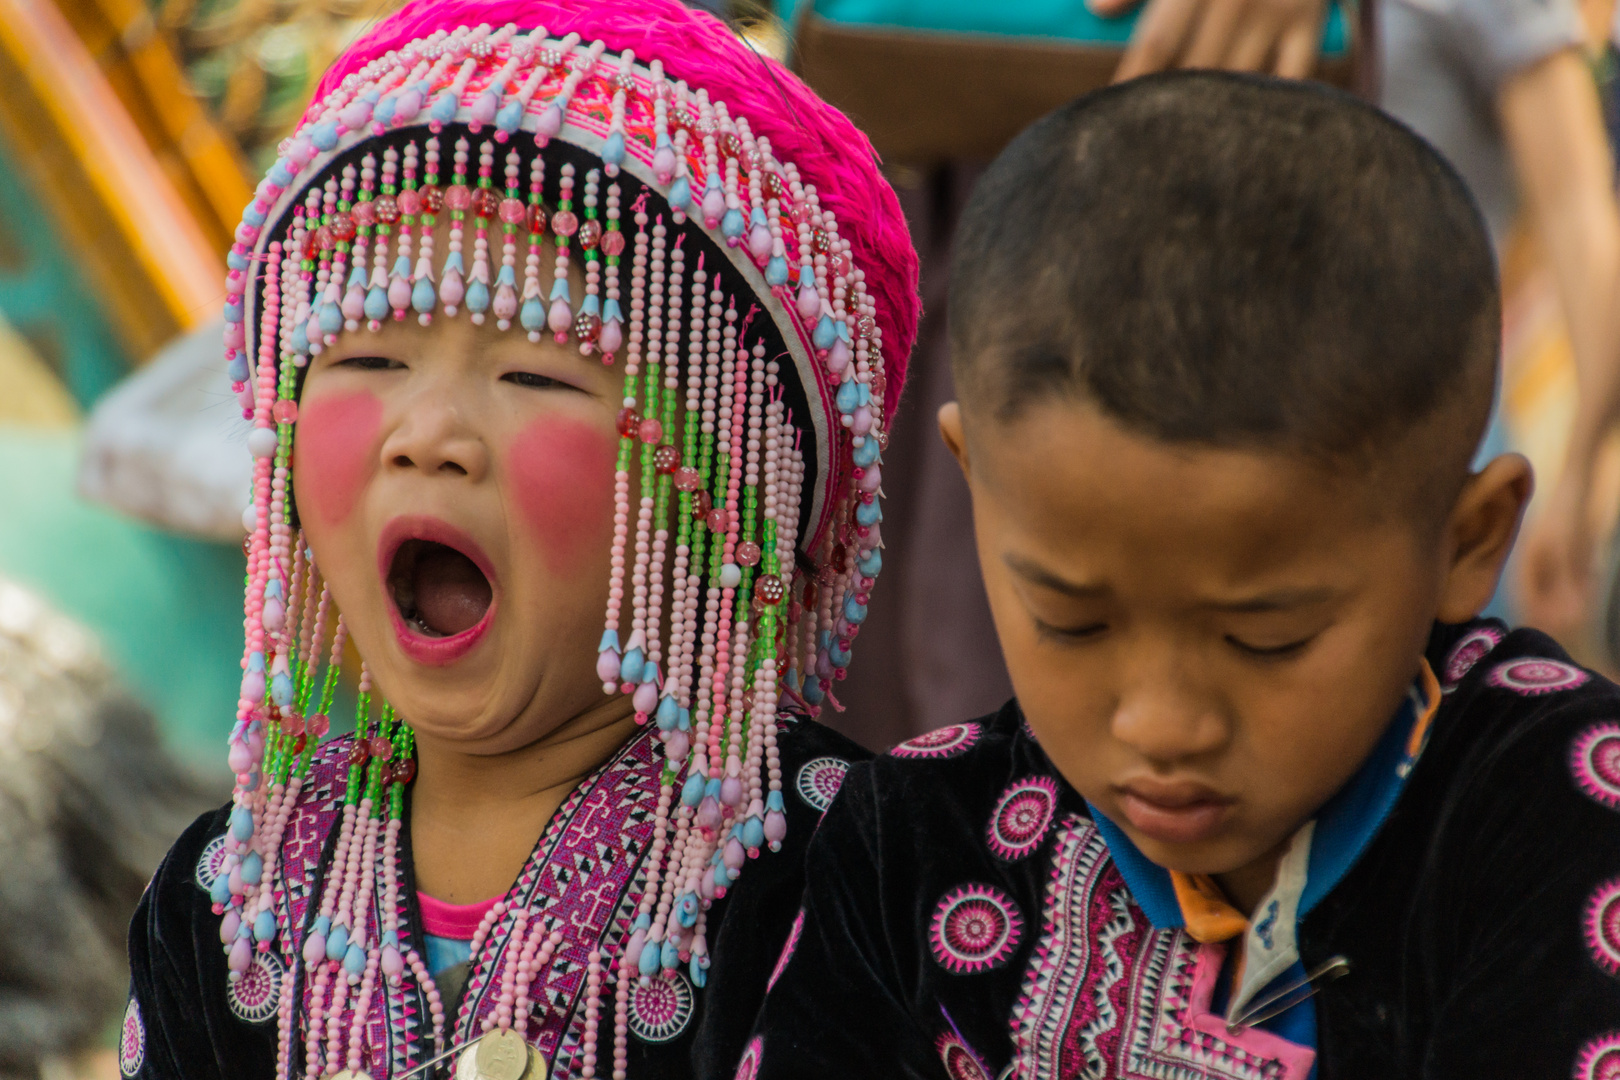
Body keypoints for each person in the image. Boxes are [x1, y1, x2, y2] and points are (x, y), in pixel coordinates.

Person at [741, 73, 1620, 1079]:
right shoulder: (911, 842)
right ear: (975, 480)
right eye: (1071, 619)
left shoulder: (1552, 810)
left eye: (1266, 639)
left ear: (1467, 540)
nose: (1161, 726)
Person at [121, 1, 919, 1077]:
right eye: (365, 359)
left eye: (535, 374)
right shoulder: (225, 895)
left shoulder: (857, 873)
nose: (428, 436)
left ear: (733, 485)